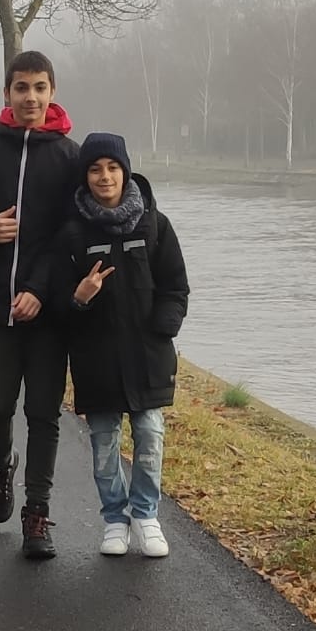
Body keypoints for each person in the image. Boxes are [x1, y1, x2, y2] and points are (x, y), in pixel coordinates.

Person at [0, 49, 80, 560]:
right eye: (21, 88)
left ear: (52, 93)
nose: (30, 97)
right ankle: (0, 466)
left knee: (44, 412)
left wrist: (40, 290)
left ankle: (37, 512)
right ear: (6, 94)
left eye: (39, 88)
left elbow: (70, 235)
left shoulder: (70, 158)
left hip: (48, 312)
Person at [49, 133, 190, 558]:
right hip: (97, 359)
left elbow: (175, 287)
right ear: (85, 176)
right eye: (95, 169)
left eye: (112, 168)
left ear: (126, 172)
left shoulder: (155, 224)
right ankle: (115, 519)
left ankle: (146, 515)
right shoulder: (72, 233)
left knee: (150, 432)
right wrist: (79, 297)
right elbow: (58, 303)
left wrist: (163, 328)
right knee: (104, 441)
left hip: (148, 355)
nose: (104, 176)